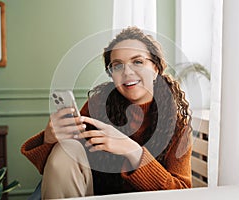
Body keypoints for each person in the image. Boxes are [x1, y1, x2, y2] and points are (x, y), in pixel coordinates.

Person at [21, 26, 193, 199]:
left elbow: (182, 192)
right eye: (117, 66)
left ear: (156, 68)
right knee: (66, 149)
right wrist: (49, 140)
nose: (127, 72)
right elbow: (59, 167)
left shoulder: (178, 127)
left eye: (138, 62)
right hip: (92, 193)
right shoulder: (98, 105)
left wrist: (133, 151)